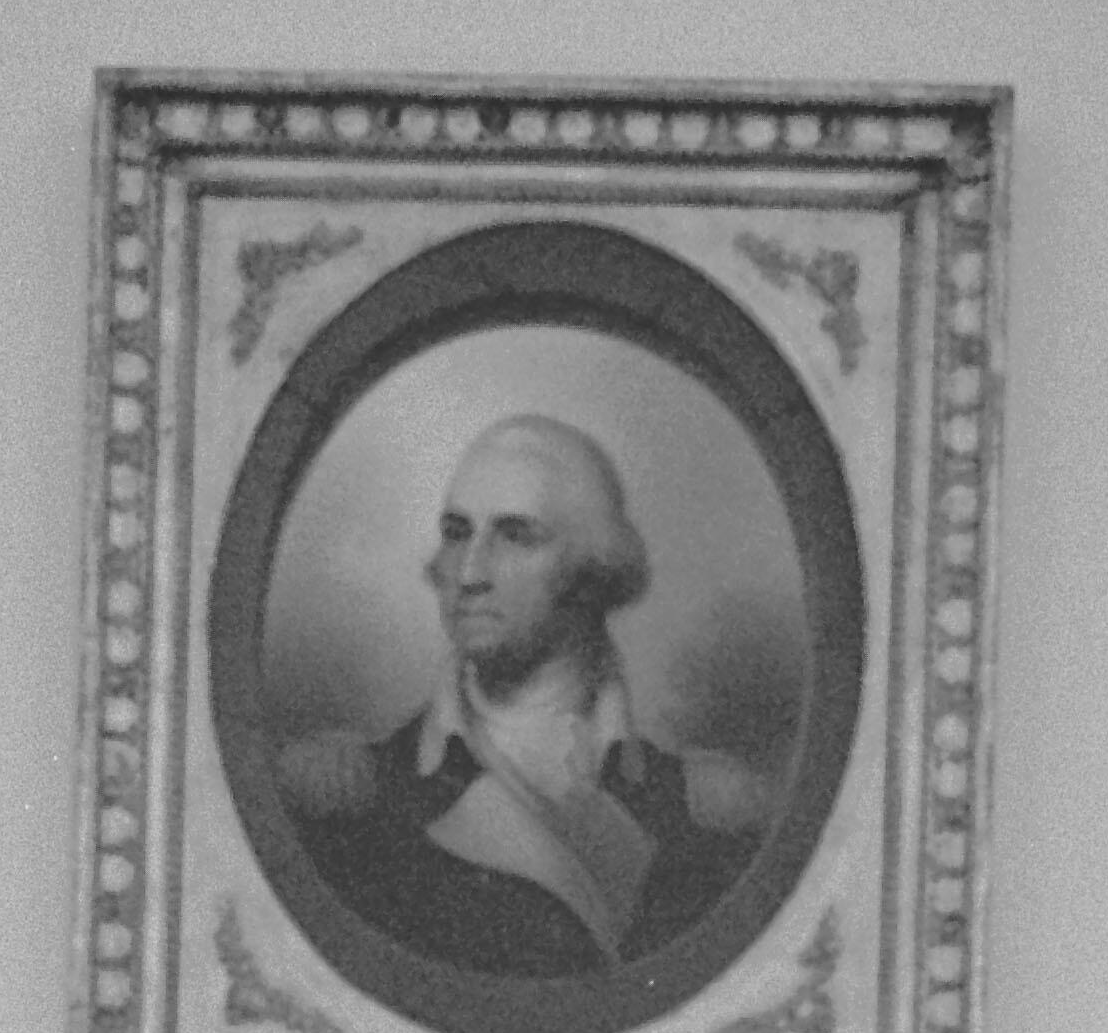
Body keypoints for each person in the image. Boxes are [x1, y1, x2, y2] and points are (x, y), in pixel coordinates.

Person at [275, 416, 770, 981]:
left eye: (515, 535)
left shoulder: (703, 811)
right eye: (458, 532)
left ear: (591, 570)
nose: (468, 573)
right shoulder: (352, 800)